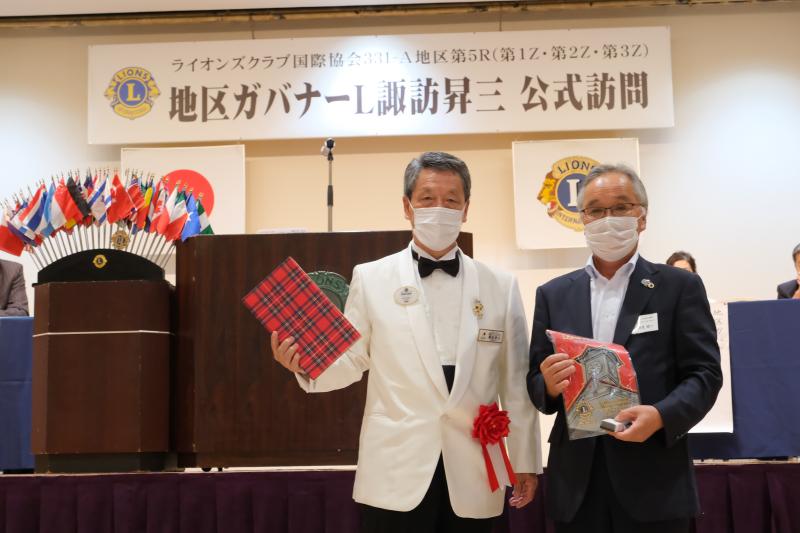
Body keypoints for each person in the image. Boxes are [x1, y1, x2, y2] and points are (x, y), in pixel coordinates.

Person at [271, 151, 541, 533]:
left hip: (475, 470)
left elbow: (515, 381)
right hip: (394, 470)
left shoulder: (500, 285)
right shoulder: (371, 277)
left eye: (451, 200)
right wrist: (305, 365)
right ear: (407, 206)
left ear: (466, 209)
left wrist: (526, 459)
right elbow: (352, 359)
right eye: (427, 198)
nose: (439, 209)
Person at [527, 164, 722, 533]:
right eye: (596, 210)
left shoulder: (679, 287)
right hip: (577, 482)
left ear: (642, 217)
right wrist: (548, 385)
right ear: (583, 219)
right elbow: (536, 382)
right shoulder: (553, 294)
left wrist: (662, 415)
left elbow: (705, 374)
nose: (608, 218)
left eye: (620, 207)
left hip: (655, 479)